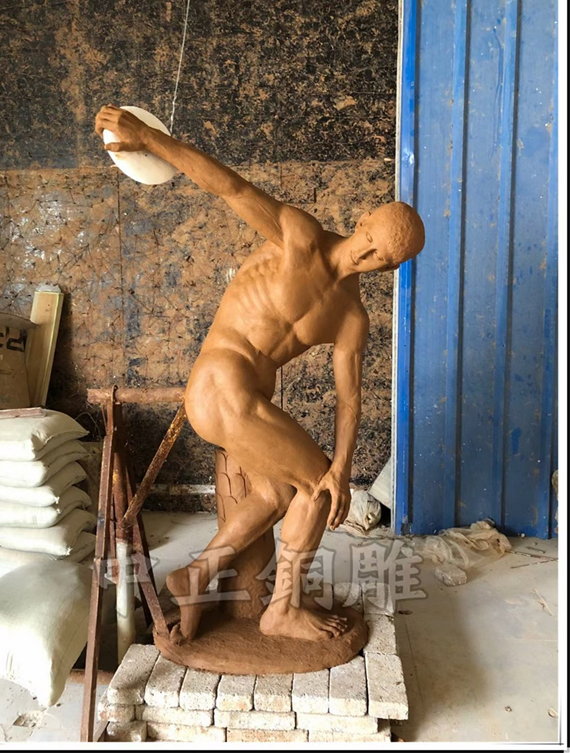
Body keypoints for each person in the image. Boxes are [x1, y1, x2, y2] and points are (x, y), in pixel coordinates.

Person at [95, 105, 425, 643]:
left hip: (247, 400)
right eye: (370, 239)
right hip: (221, 384)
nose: (366, 255)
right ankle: (282, 611)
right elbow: (229, 187)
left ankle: (195, 576)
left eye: (382, 259)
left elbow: (349, 400)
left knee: (278, 495)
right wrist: (151, 140)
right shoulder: (299, 236)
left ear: (391, 267)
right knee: (317, 488)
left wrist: (344, 467)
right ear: (363, 219)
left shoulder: (351, 316)